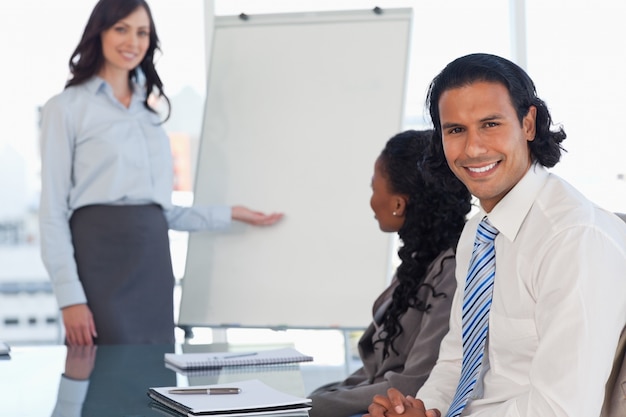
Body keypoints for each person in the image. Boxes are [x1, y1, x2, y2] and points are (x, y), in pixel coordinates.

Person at [366, 53, 626, 417]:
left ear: (529, 124)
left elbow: (562, 409)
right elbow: (455, 362)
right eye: (456, 130)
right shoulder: (478, 233)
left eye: (490, 124)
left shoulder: (574, 239)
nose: (473, 148)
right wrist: (421, 409)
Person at [39, 0, 283, 346]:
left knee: (154, 377)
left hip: (152, 260)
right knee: (102, 375)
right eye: (121, 29)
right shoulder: (66, 108)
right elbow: (51, 213)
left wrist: (230, 214)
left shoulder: (149, 115)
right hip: (98, 259)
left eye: (142, 33)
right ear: (100, 33)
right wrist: (69, 297)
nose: (133, 42)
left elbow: (160, 210)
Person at [308, 130, 472, 417]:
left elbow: (415, 381)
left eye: (374, 188)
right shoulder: (419, 260)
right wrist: (316, 399)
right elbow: (377, 370)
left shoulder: (452, 269)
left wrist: (312, 407)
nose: (371, 200)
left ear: (398, 204)